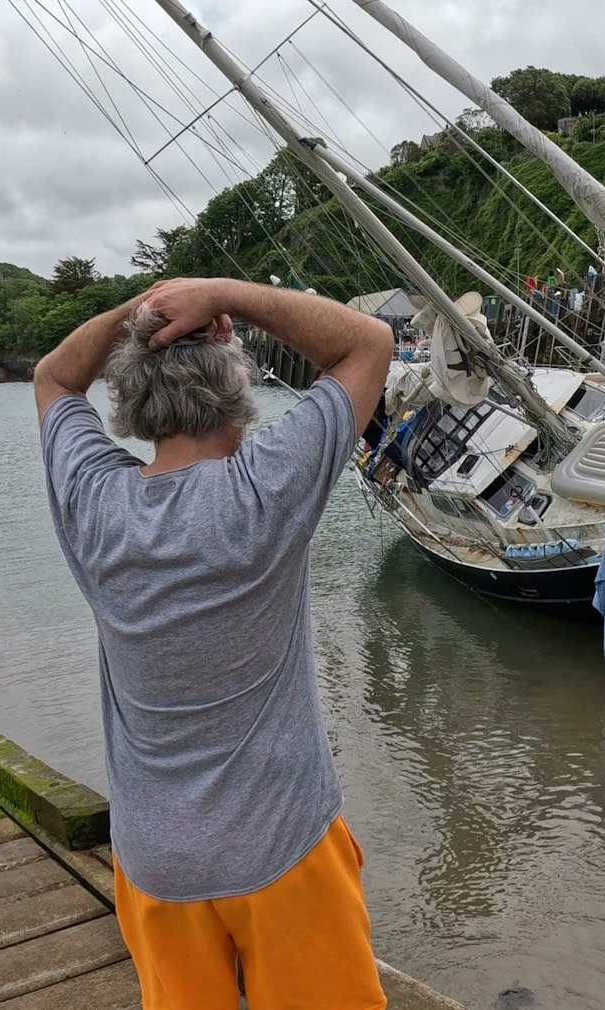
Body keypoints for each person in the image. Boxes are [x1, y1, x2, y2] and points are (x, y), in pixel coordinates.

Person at [34, 277, 394, 1010]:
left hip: (156, 863)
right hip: (283, 849)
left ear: (131, 403)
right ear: (238, 390)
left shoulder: (96, 504)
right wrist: (222, 292)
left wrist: (143, 312)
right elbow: (367, 342)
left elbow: (54, 376)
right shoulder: (264, 492)